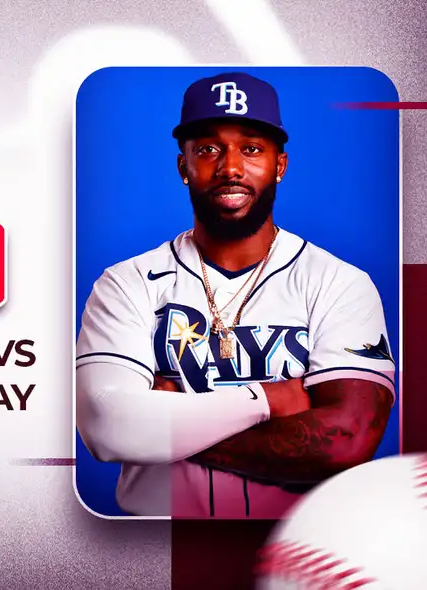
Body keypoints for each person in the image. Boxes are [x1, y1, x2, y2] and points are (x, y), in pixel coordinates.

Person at [75, 72, 395, 519]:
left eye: (251, 149)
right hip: (153, 549)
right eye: (207, 149)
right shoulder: (126, 283)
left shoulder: (339, 283)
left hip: (292, 555)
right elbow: (107, 428)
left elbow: (347, 440)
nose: (230, 167)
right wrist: (266, 401)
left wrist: (167, 421)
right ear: (183, 166)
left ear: (279, 165)